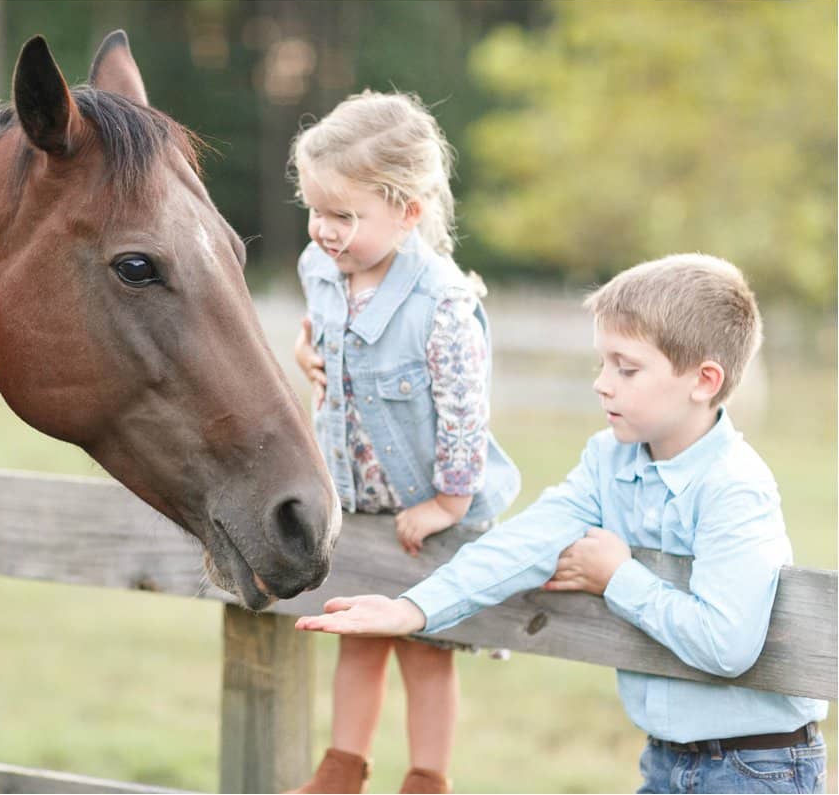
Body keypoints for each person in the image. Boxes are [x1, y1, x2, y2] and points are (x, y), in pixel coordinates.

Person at [296, 254, 829, 794]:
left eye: (626, 368)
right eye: (602, 363)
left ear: (703, 380)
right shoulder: (610, 461)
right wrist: (412, 608)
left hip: (757, 767)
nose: (602, 384)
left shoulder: (733, 486)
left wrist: (617, 576)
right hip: (666, 759)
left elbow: (727, 644)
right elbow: (521, 544)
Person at [286, 90, 521, 795]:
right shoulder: (321, 267)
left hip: (424, 514)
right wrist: (307, 353)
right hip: (356, 506)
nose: (324, 230)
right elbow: (323, 339)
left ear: (409, 211)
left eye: (344, 216)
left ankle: (427, 778)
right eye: (316, 210)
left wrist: (448, 502)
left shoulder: (442, 304)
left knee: (427, 652)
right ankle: (343, 766)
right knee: (354, 639)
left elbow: (463, 412)